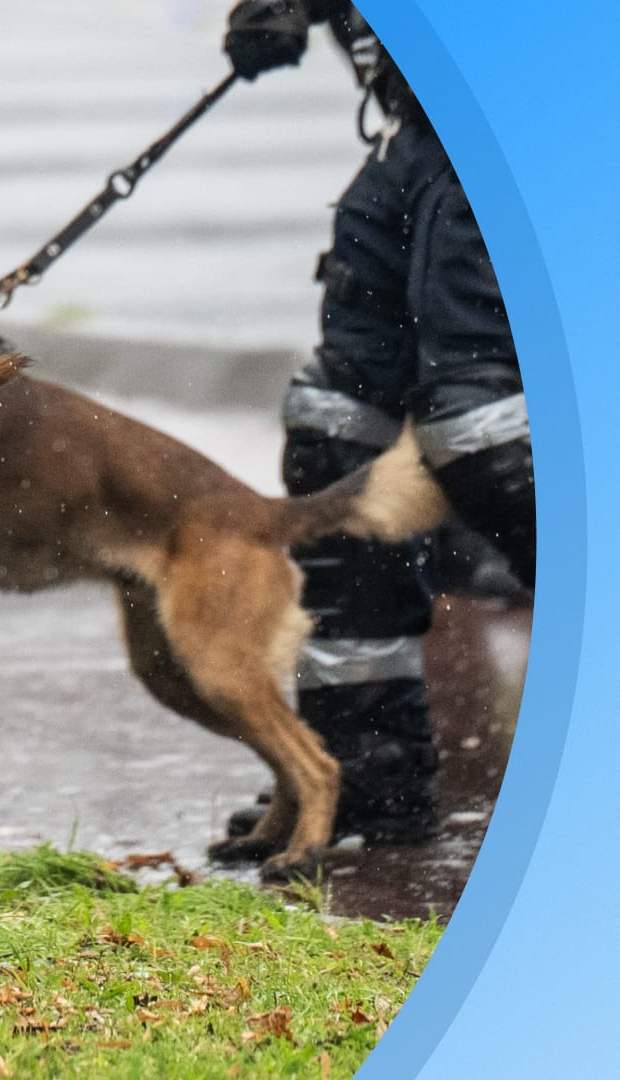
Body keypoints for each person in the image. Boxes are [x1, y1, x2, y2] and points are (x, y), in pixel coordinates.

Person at [222, 0, 536, 845]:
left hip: (518, 117)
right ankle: (365, 771)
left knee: (486, 431)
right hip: (420, 134)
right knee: (335, 432)